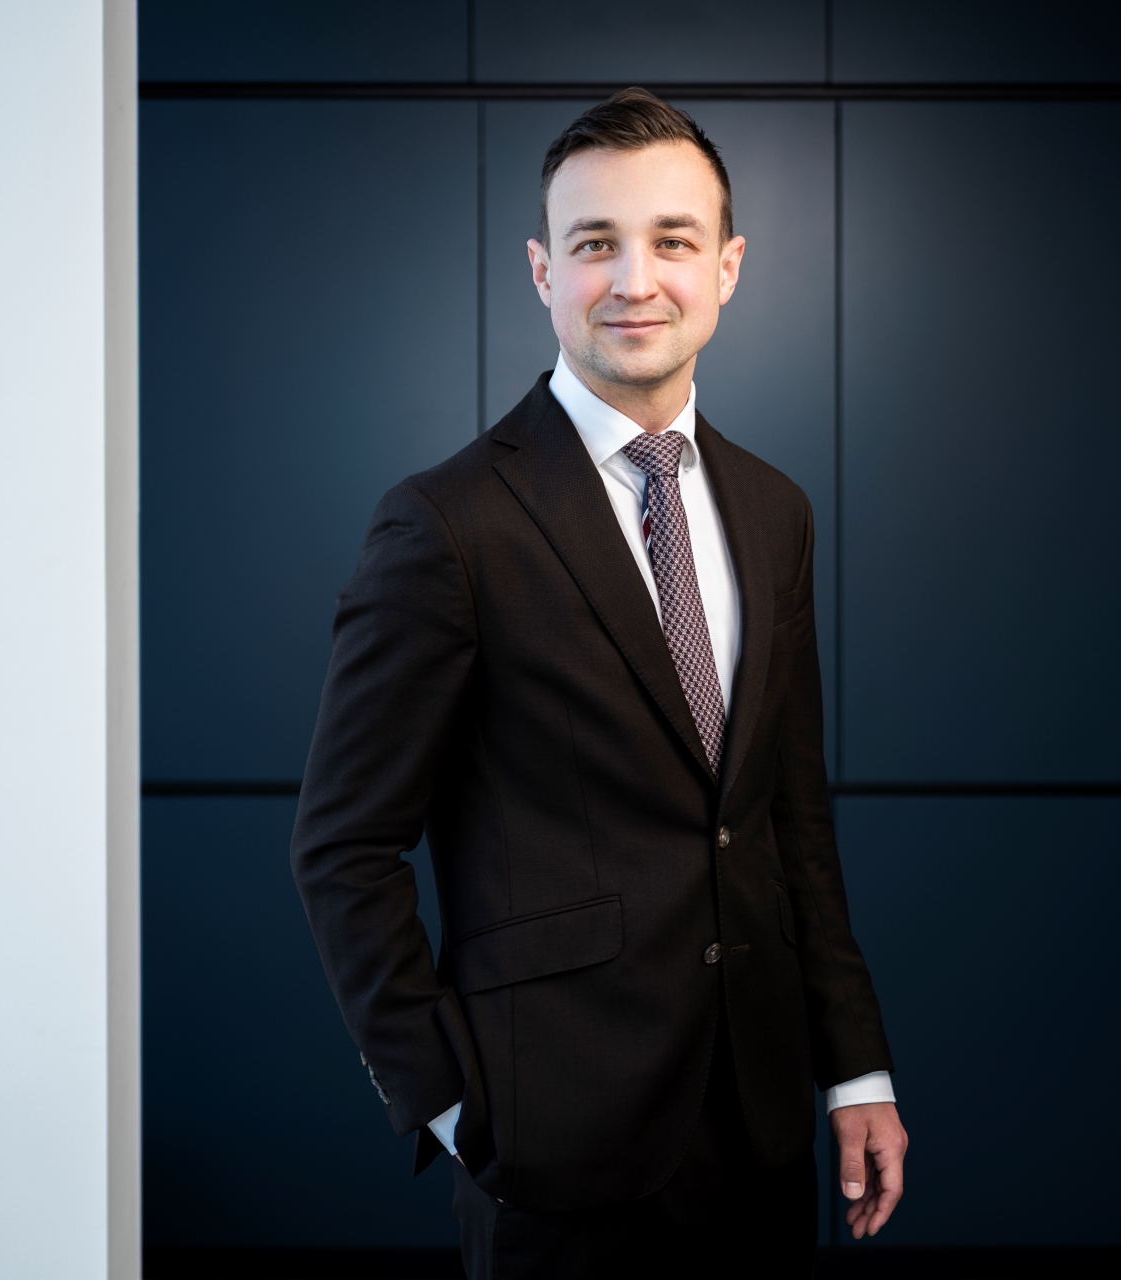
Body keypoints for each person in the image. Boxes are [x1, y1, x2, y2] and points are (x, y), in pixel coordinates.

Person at [292, 87, 906, 1279]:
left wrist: (855, 1067)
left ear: (727, 268)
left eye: (672, 240)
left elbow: (789, 821)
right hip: (551, 1146)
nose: (635, 280)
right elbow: (342, 844)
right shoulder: (446, 523)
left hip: (763, 1128)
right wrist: (450, 1103)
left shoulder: (775, 511)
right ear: (542, 271)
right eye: (594, 244)